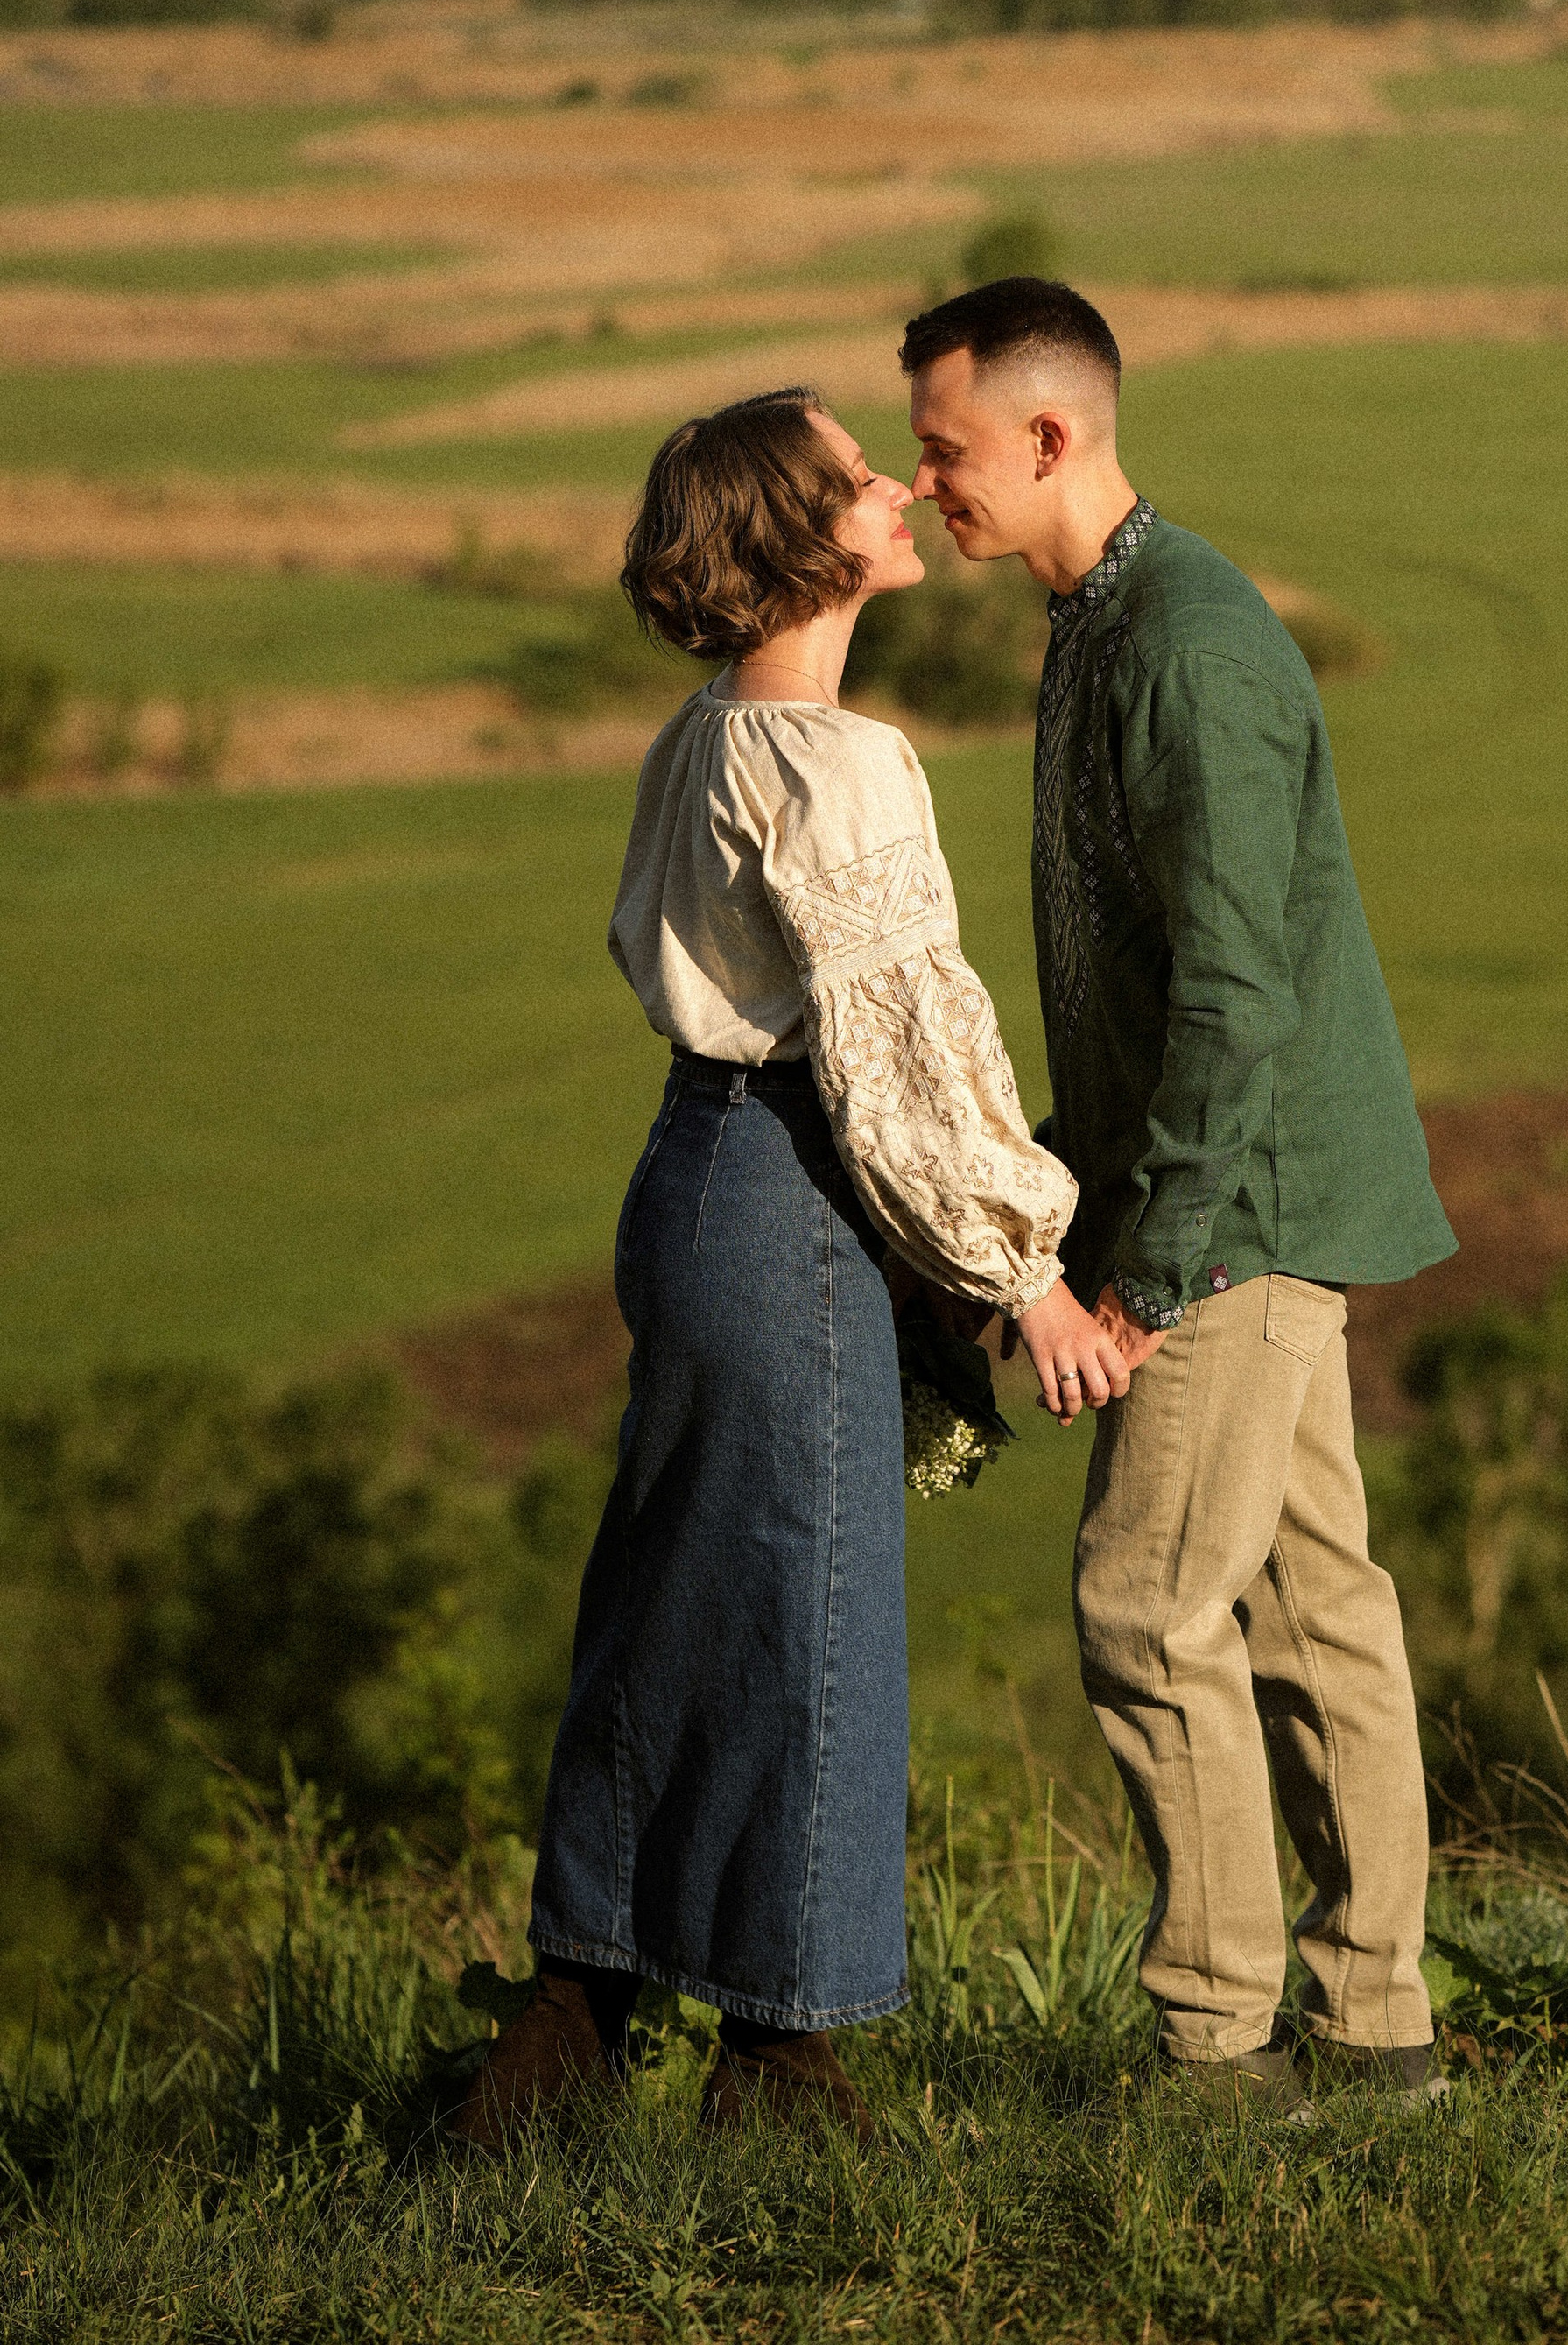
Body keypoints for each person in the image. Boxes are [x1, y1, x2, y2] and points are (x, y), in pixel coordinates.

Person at [449, 387, 1126, 2151]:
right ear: (799, 540)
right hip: (789, 1189)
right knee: (804, 1614)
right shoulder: (838, 763)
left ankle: (574, 2018)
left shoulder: (707, 739)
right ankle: (782, 2067)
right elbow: (902, 1055)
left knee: (670, 1595)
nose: (899, 486)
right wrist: (1021, 1270)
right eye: (854, 476)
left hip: (686, 1176)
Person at [902, 280, 1458, 2106]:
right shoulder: (1101, 624)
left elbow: (1232, 988)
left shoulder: (1183, 648)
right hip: (1226, 1190)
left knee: (1148, 1610)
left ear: (1050, 436)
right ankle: (1376, 2040)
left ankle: (1216, 2052)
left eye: (945, 449)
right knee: (1310, 1613)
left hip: (1235, 1210)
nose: (923, 486)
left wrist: (1143, 1270)